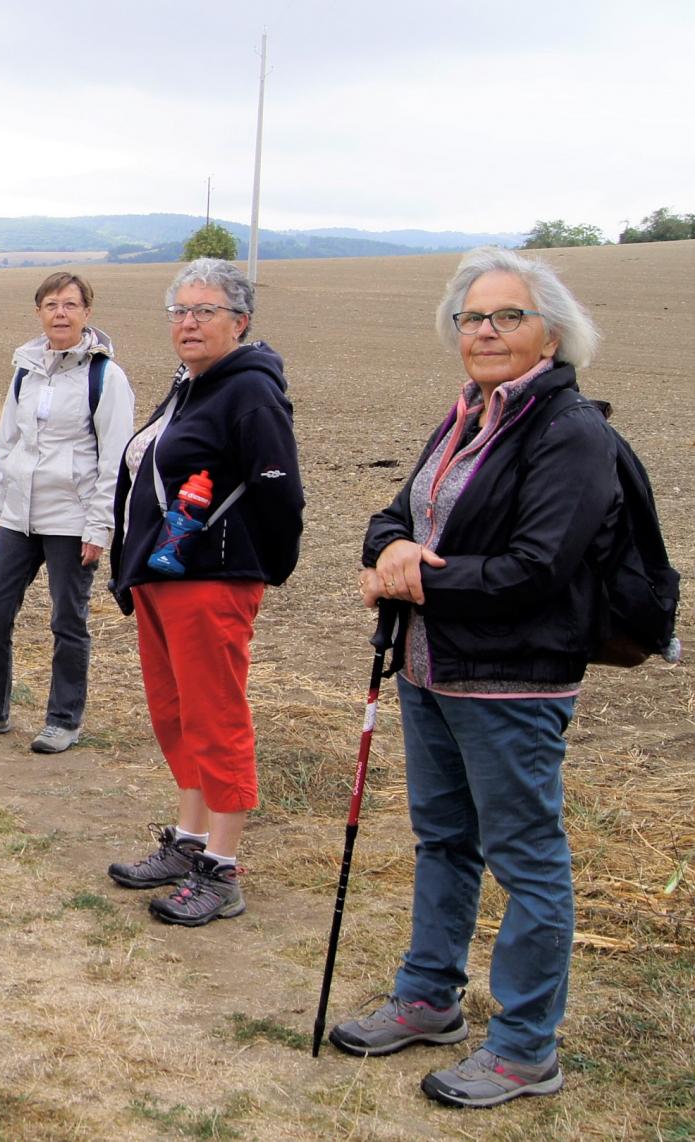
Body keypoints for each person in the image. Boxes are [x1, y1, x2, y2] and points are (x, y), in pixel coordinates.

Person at [327, 247, 613, 1109]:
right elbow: (396, 511)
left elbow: (536, 568)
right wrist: (389, 548)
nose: (483, 332)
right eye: (470, 318)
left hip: (512, 685)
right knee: (442, 841)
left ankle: (526, 1048)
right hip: (430, 671)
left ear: (551, 335)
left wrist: (415, 575)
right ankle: (428, 998)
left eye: (505, 317)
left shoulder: (570, 433)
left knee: (527, 862)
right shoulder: (465, 418)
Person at [105, 258, 304, 926]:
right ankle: (187, 842)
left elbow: (279, 491)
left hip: (210, 581)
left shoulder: (247, 391)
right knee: (175, 715)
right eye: (179, 312)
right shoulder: (189, 386)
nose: (188, 323)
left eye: (204, 311)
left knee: (214, 718)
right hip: (162, 580)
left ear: (239, 321)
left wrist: (253, 568)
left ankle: (220, 869)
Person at [0, 272, 134, 752]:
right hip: (18, 516)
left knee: (68, 622)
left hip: (72, 519)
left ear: (88, 313)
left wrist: (99, 526)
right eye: (51, 305)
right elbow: (9, 442)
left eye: (70, 305)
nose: (60, 313)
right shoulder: (25, 369)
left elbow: (115, 459)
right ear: (39, 313)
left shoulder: (105, 377)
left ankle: (63, 719)